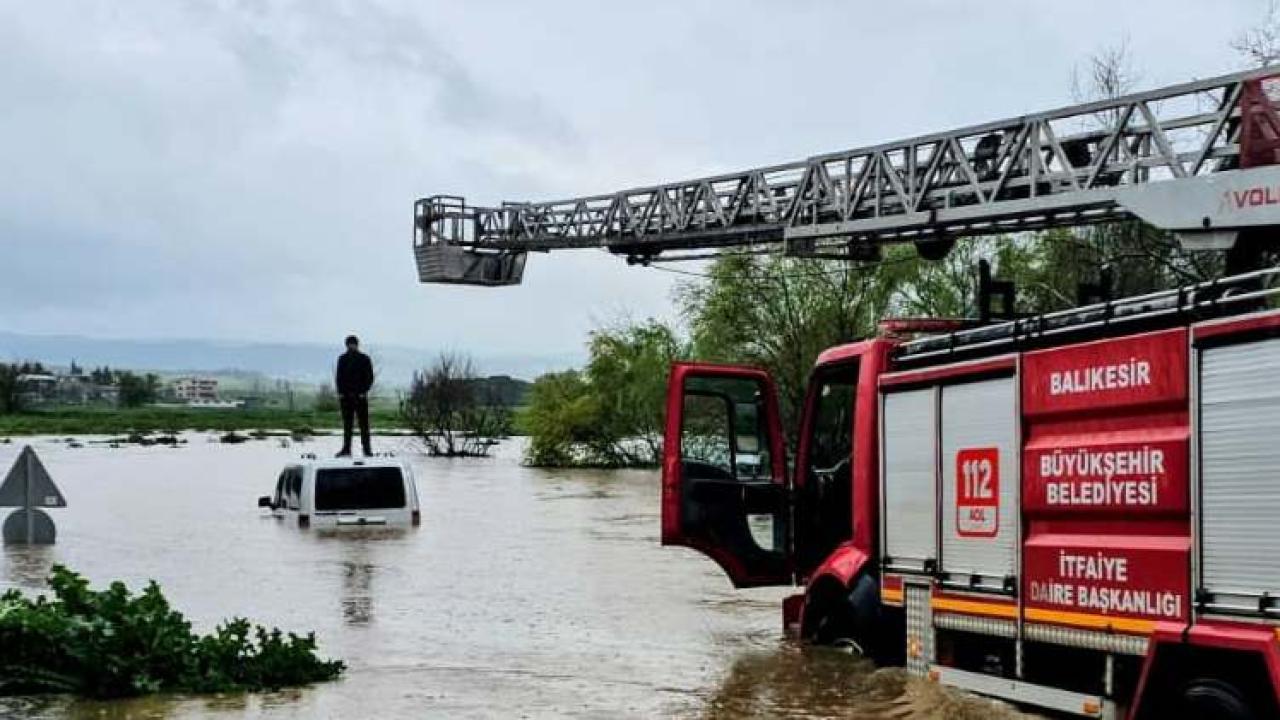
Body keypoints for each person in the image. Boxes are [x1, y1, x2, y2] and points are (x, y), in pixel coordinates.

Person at [335, 335, 374, 457]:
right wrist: (341, 393)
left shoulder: (364, 359)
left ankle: (367, 449)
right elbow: (339, 377)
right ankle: (346, 449)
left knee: (364, 425)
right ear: (346, 345)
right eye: (349, 344)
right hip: (346, 397)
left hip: (360, 397)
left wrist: (363, 391)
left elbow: (369, 377)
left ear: (357, 345)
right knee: (347, 425)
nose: (351, 346)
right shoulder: (342, 359)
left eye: (353, 344)